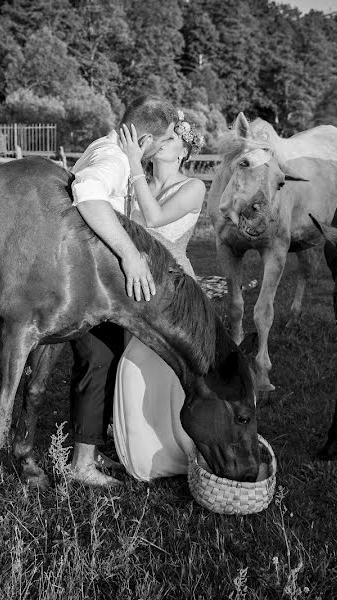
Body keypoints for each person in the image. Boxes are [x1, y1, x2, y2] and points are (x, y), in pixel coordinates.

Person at [68, 96, 179, 486]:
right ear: (146, 139)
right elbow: (88, 192)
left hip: (99, 288)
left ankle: (92, 448)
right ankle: (81, 465)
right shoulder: (114, 159)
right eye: (164, 141)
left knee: (106, 360)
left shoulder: (109, 147)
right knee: (96, 363)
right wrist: (131, 256)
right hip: (86, 288)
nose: (165, 148)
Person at [111, 111, 207, 481]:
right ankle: (140, 448)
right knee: (135, 365)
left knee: (164, 372)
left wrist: (134, 163)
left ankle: (179, 446)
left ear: (183, 151)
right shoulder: (140, 183)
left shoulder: (194, 187)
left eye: (170, 139)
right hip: (134, 286)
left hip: (173, 290)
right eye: (160, 138)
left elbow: (151, 220)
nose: (161, 142)